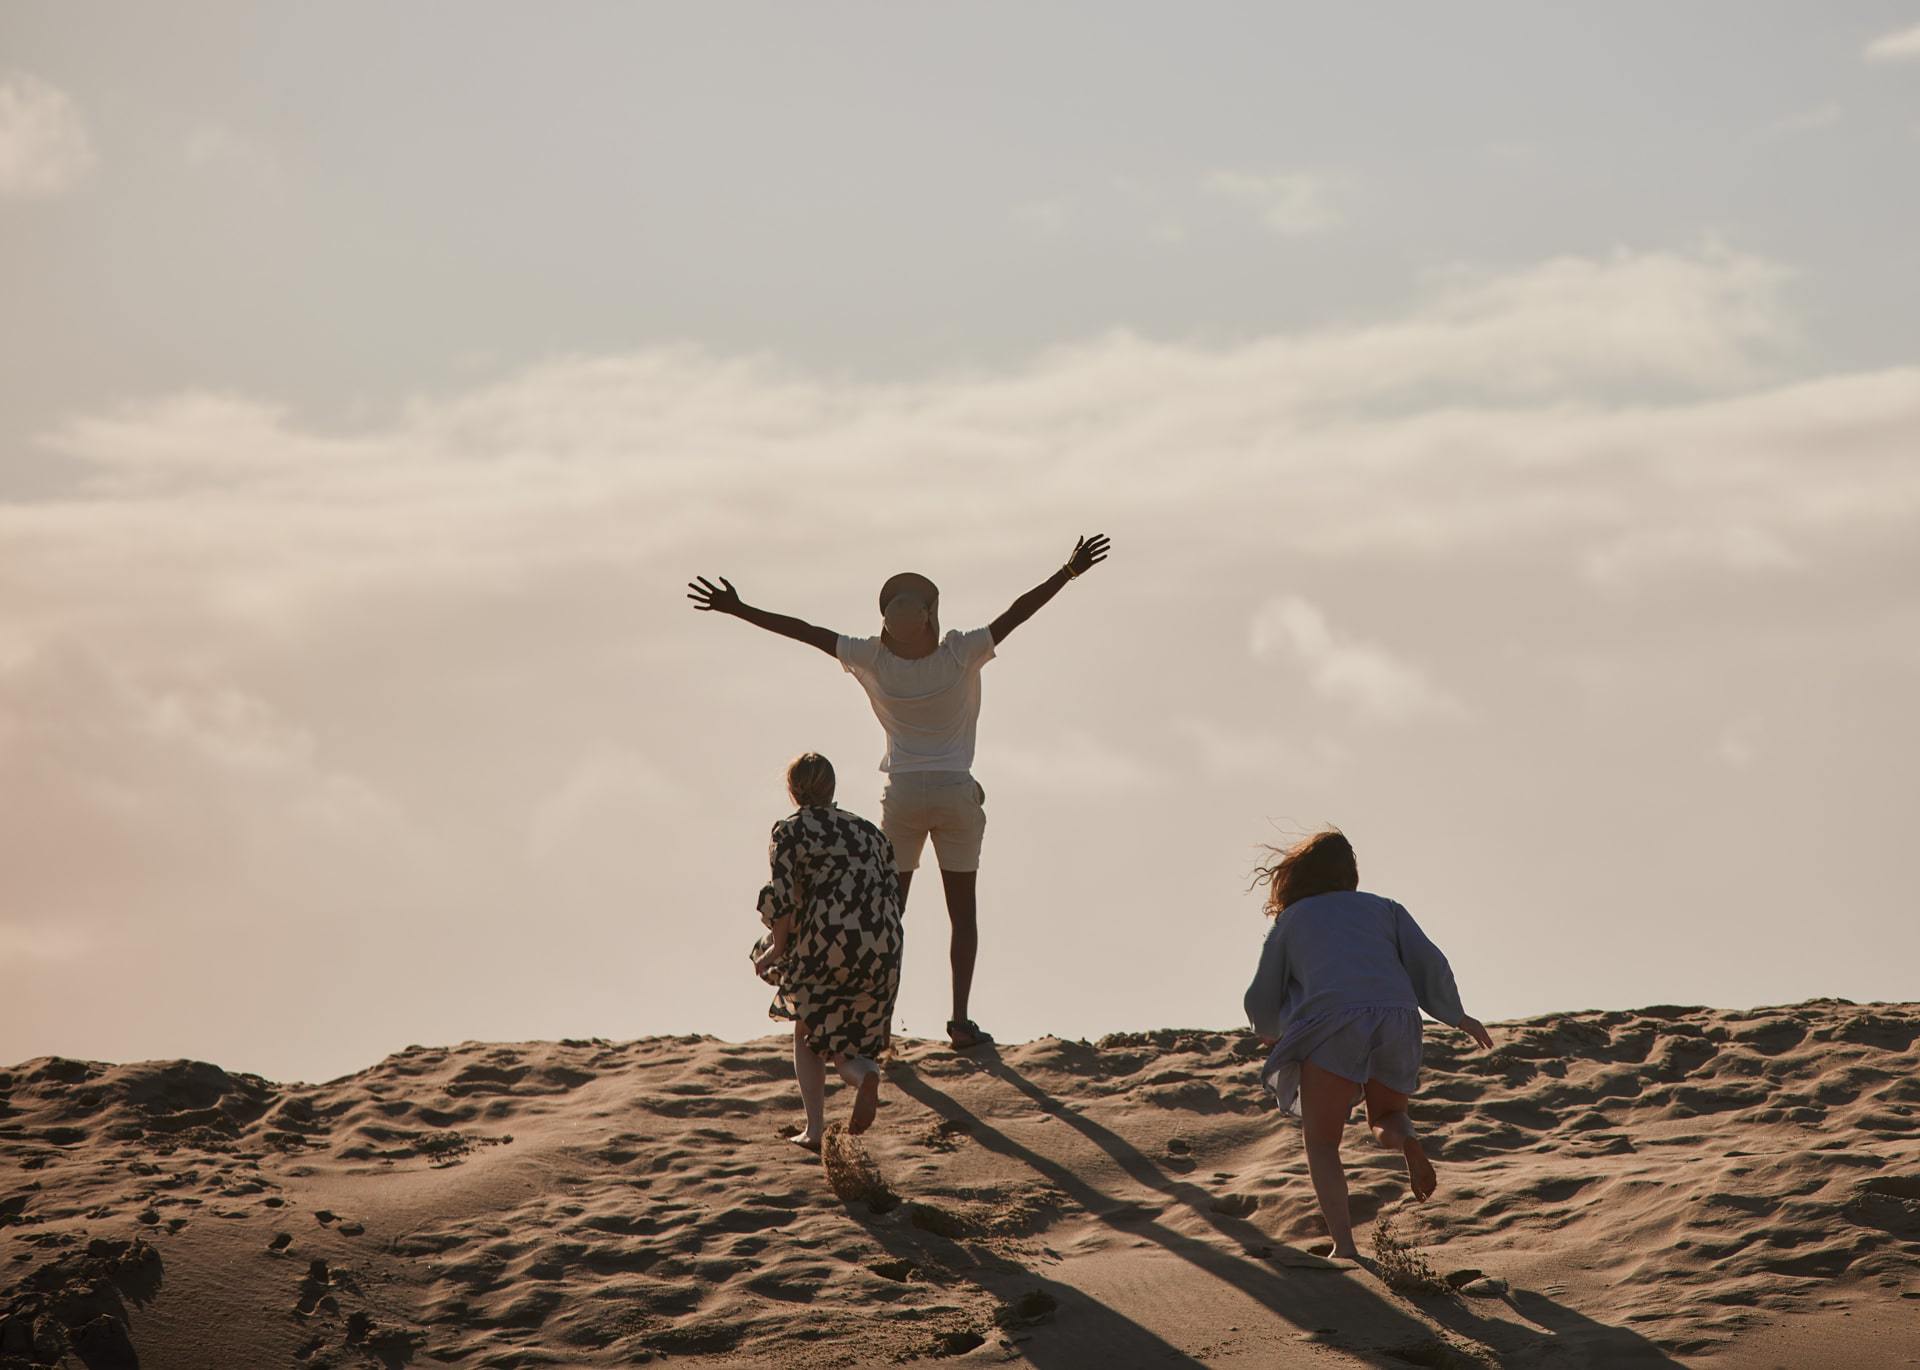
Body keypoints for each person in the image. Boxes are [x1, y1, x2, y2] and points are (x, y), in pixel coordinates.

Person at [691, 533, 1111, 1050]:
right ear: (931, 618)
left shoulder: (873, 659)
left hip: (903, 797)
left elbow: (805, 631)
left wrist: (738, 609)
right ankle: (960, 1023)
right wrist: (1067, 572)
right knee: (963, 914)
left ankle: (879, 1023)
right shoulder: (959, 652)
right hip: (956, 791)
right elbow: (1017, 613)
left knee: (887, 914)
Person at [1242, 828, 1495, 1261]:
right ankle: (1407, 1142)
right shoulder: (1385, 909)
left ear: (1297, 875)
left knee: (1322, 1142)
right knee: (1387, 1117)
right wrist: (1456, 1015)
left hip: (1333, 1021)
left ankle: (1344, 1245)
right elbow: (1428, 962)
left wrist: (1267, 1027)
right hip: (1398, 1016)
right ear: (1350, 873)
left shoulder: (1293, 919)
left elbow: (1263, 990)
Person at [751, 752, 903, 1150]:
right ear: (832, 788)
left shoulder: (790, 831)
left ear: (792, 790)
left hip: (826, 942)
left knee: (807, 1029)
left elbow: (783, 899)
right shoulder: (868, 832)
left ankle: (814, 1129)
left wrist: (775, 950)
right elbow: (893, 892)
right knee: (849, 1043)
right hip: (882, 945)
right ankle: (865, 1074)